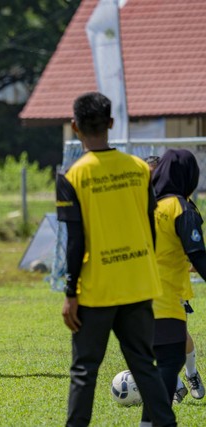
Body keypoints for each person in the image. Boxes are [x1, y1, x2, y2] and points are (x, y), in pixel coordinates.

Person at [56, 92, 176, 426]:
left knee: (84, 371)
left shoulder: (71, 177)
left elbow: (75, 242)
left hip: (98, 289)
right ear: (111, 123)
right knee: (144, 366)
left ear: (75, 126)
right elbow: (149, 228)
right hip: (138, 283)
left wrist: (70, 293)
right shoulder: (140, 169)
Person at [146, 154, 205, 404]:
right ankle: (175, 387)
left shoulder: (183, 206)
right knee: (149, 341)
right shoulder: (145, 203)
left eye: (153, 174)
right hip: (143, 285)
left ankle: (189, 375)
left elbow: (194, 251)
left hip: (170, 287)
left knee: (176, 338)